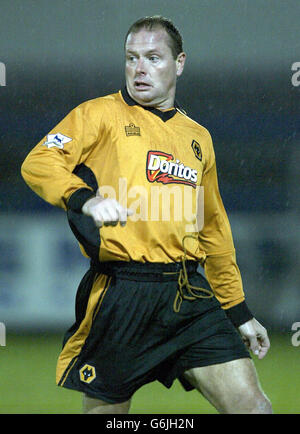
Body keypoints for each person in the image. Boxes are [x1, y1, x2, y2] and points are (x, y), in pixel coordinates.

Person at [21, 15, 272, 414]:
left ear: (180, 63)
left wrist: (238, 310)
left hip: (188, 293)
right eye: (131, 58)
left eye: (153, 58)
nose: (139, 69)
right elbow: (38, 162)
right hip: (122, 294)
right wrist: (84, 198)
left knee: (253, 408)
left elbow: (213, 229)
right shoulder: (98, 115)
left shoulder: (197, 137)